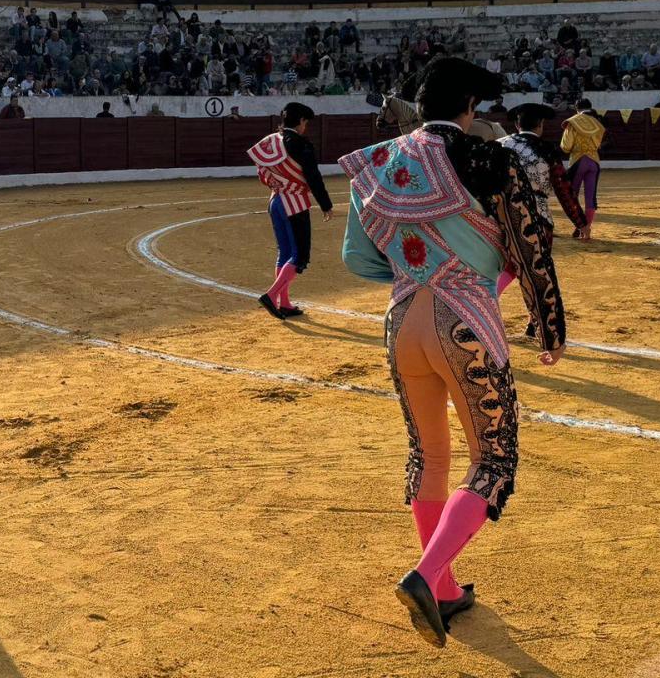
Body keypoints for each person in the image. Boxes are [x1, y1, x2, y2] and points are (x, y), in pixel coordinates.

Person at [337, 57, 566, 648]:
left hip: (401, 321)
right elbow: (531, 245)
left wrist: (418, 265)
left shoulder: (379, 163)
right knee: (492, 458)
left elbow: (357, 260)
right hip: (465, 318)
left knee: (429, 454)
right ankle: (424, 574)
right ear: (469, 106)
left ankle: (442, 588)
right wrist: (547, 324)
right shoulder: (488, 159)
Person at [496, 103, 590, 319]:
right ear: (540, 125)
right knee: (538, 272)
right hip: (536, 217)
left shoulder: (498, 145)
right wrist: (580, 222)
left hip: (499, 215)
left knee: (503, 266)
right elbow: (564, 190)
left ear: (517, 124)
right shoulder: (546, 150)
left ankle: (487, 303)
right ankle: (536, 321)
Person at [248, 102, 333, 319]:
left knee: (285, 252)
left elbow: (262, 174)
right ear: (302, 121)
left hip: (275, 201)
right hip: (294, 202)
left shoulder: (271, 142)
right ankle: (271, 295)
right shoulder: (301, 145)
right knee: (300, 256)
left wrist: (278, 185)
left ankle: (284, 303)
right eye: (306, 123)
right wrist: (326, 204)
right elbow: (313, 177)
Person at [560, 99, 606, 229]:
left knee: (572, 195)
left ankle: (579, 225)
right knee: (590, 196)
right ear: (590, 107)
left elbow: (566, 146)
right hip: (594, 161)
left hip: (577, 160)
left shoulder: (573, 122)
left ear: (576, 108)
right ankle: (588, 227)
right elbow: (598, 143)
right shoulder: (598, 122)